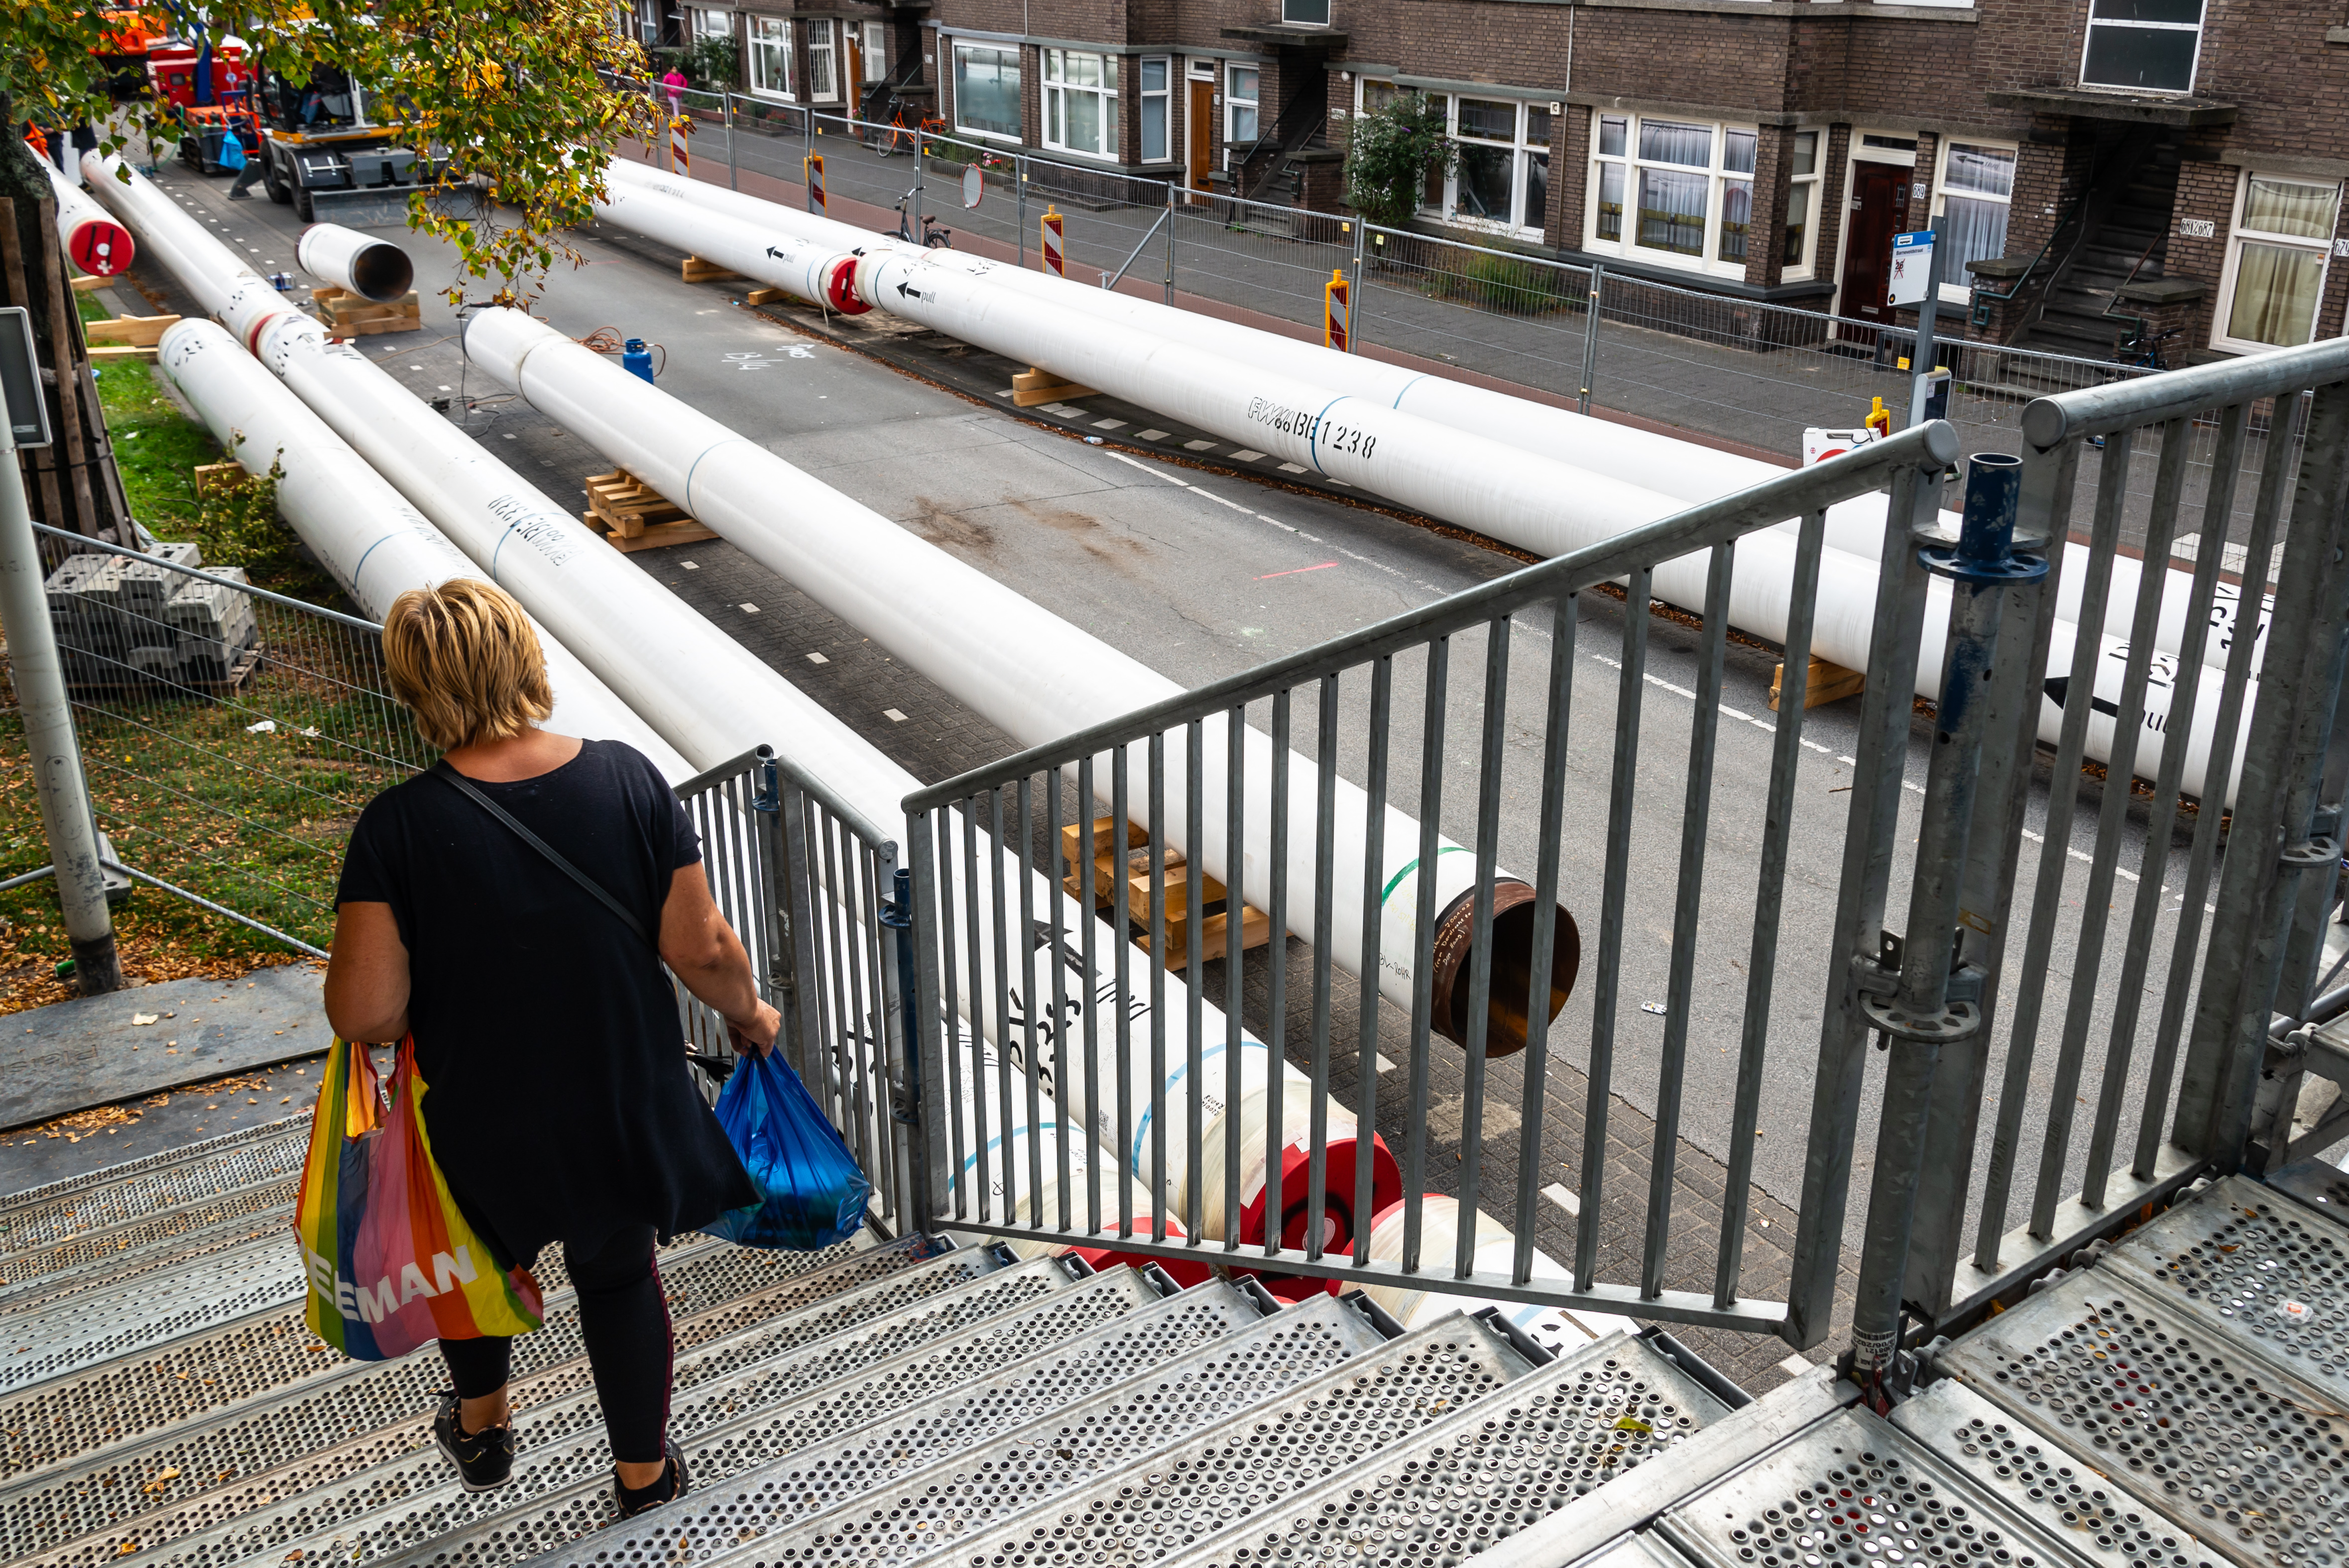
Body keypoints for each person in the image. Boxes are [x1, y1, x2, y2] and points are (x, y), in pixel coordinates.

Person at [324, 579, 777, 1517]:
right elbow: (701, 947)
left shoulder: (396, 828)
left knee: (476, 1269)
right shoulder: (626, 778)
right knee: (616, 1275)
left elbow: (366, 1011)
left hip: (483, 1113)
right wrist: (751, 1014)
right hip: (619, 1093)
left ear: (415, 688)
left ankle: (483, 1425)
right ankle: (642, 1480)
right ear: (524, 658)